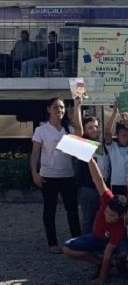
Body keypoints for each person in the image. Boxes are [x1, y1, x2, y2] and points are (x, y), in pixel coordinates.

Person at [62, 159, 128, 285]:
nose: (108, 216)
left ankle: (120, 265)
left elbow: (108, 253)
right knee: (67, 248)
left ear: (121, 216)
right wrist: (89, 158)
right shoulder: (107, 198)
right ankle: (98, 262)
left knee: (123, 252)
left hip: (113, 243)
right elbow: (98, 179)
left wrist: (102, 278)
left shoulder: (119, 228)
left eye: (112, 216)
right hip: (96, 237)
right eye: (107, 212)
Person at [30, 97, 81, 252]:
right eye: (56, 107)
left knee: (72, 209)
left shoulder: (68, 128)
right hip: (48, 176)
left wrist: (77, 106)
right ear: (49, 109)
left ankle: (76, 241)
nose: (59, 111)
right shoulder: (41, 130)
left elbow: (80, 133)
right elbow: (35, 153)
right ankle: (52, 243)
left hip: (67, 175)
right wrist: (34, 172)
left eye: (62, 108)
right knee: (49, 210)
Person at [73, 95, 111, 234]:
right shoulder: (83, 144)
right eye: (90, 128)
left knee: (101, 218)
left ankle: (97, 243)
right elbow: (77, 128)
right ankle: (86, 247)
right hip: (88, 188)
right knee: (89, 219)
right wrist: (77, 105)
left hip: (104, 188)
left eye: (96, 126)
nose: (94, 129)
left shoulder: (102, 145)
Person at [104, 104, 128, 197]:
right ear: (117, 135)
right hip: (117, 184)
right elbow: (107, 131)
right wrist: (114, 113)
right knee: (118, 209)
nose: (127, 138)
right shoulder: (112, 147)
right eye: (124, 135)